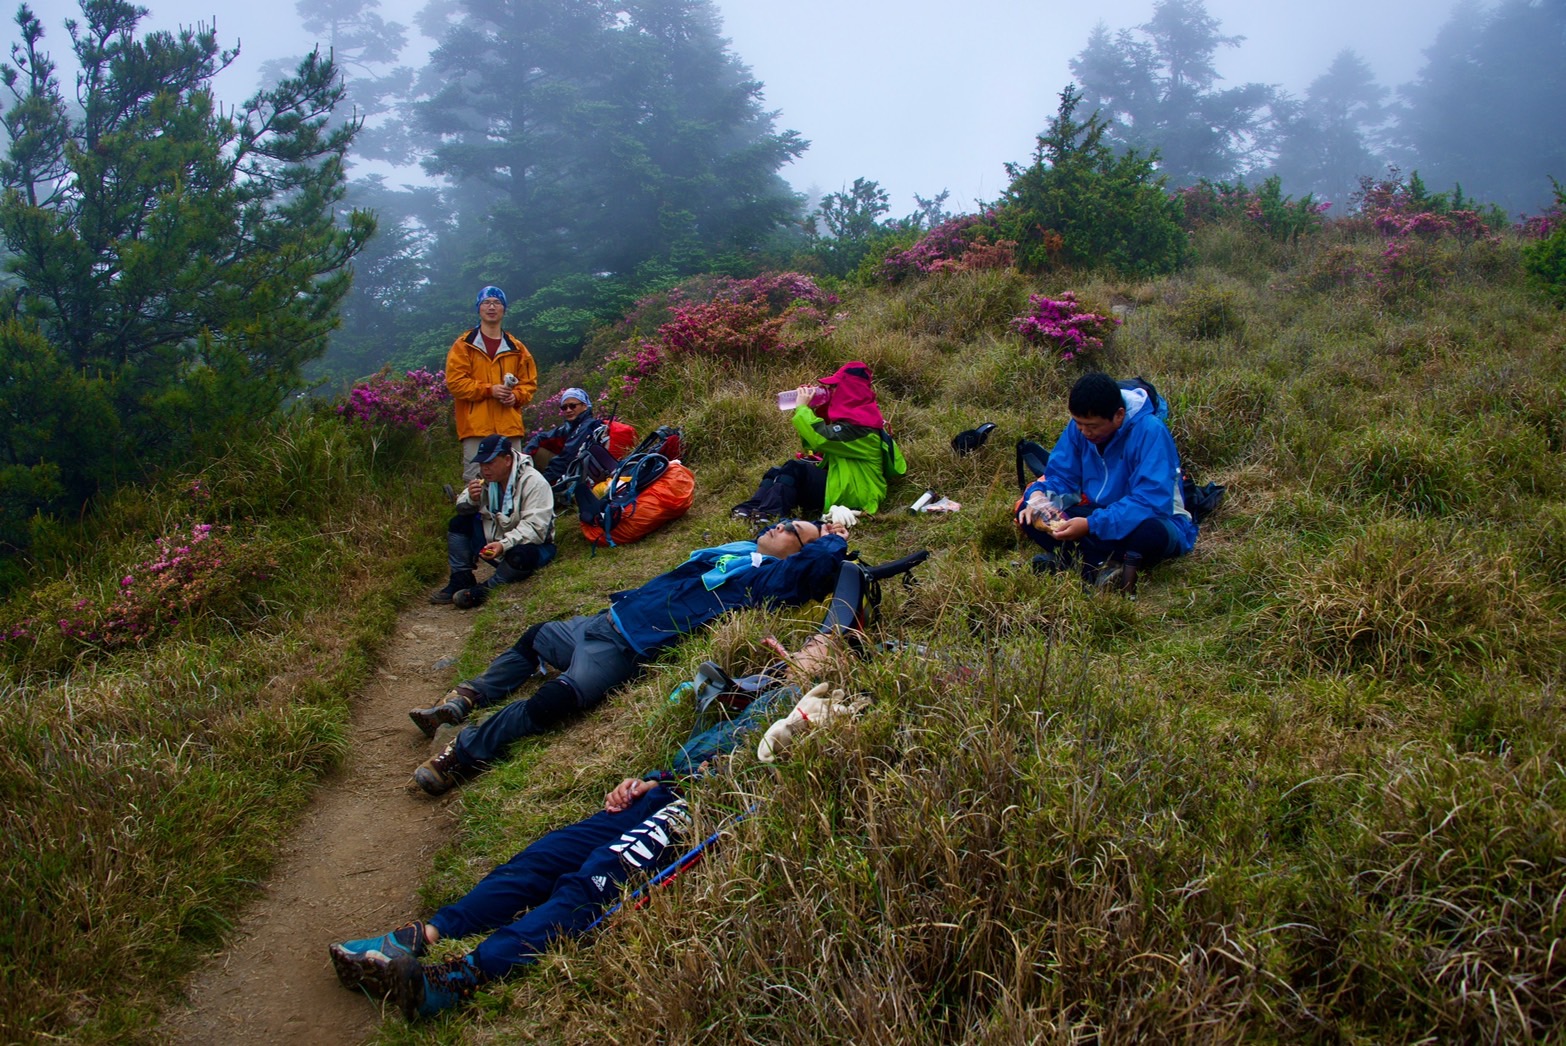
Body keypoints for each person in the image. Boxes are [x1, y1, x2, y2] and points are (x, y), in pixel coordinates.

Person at [331, 620, 855, 1022]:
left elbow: (775, 768)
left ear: (834, 665)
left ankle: (458, 978)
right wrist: (648, 779)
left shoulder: (828, 706)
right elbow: (704, 746)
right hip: (667, 789)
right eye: (807, 642)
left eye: (817, 647)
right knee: (543, 857)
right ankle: (421, 934)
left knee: (592, 880)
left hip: (709, 806)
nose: (803, 648)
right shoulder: (766, 689)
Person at [406, 519, 852, 791]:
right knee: (537, 637)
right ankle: (466, 695)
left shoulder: (764, 580)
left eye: (795, 532)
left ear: (800, 551)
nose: (782, 527)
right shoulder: (733, 555)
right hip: (607, 619)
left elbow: (810, 576)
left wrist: (832, 540)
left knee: (554, 701)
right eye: (785, 522)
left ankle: (459, 756)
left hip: (625, 647)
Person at [1016, 372, 1197, 594]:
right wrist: (1038, 498)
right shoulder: (1079, 429)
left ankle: (1077, 563)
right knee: (1029, 516)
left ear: (1119, 415)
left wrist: (1091, 525)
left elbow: (1150, 502)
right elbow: (1062, 476)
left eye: (1092, 426)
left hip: (1157, 518)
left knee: (1148, 534)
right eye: (1078, 424)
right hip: (1102, 513)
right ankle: (1100, 568)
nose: (1084, 432)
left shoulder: (1150, 431)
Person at [730, 361, 906, 522]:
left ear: (849, 391)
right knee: (776, 471)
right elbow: (820, 440)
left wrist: (802, 407)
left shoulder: (862, 430)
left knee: (795, 468)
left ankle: (769, 515)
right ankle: (750, 509)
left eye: (835, 387)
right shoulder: (856, 421)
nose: (830, 391)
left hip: (856, 495)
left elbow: (820, 439)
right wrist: (818, 407)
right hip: (839, 484)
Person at [430, 435, 556, 608]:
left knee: (521, 556)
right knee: (459, 523)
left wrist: (503, 545)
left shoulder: (534, 482)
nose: (485, 469)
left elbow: (535, 529)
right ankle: (461, 578)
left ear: (507, 459)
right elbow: (462, 508)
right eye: (482, 464)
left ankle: (488, 588)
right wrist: (473, 499)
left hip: (532, 544)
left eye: (490, 463)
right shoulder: (487, 480)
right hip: (496, 539)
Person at [444, 286, 538, 482]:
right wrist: (490, 390)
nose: (491, 307)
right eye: (486, 302)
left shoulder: (517, 348)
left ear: (504, 309)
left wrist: (516, 396)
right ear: (479, 308)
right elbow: (455, 383)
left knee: (516, 478)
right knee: (476, 482)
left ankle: (515, 514)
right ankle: (479, 514)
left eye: (497, 303)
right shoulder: (464, 345)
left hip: (509, 427)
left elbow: (529, 384)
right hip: (476, 427)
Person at [520, 387, 604, 486]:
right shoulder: (570, 427)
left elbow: (566, 458)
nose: (568, 410)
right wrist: (524, 457)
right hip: (570, 470)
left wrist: (544, 483)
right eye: (564, 407)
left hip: (577, 475)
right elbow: (541, 437)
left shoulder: (585, 427)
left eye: (572, 406)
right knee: (536, 450)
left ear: (585, 406)